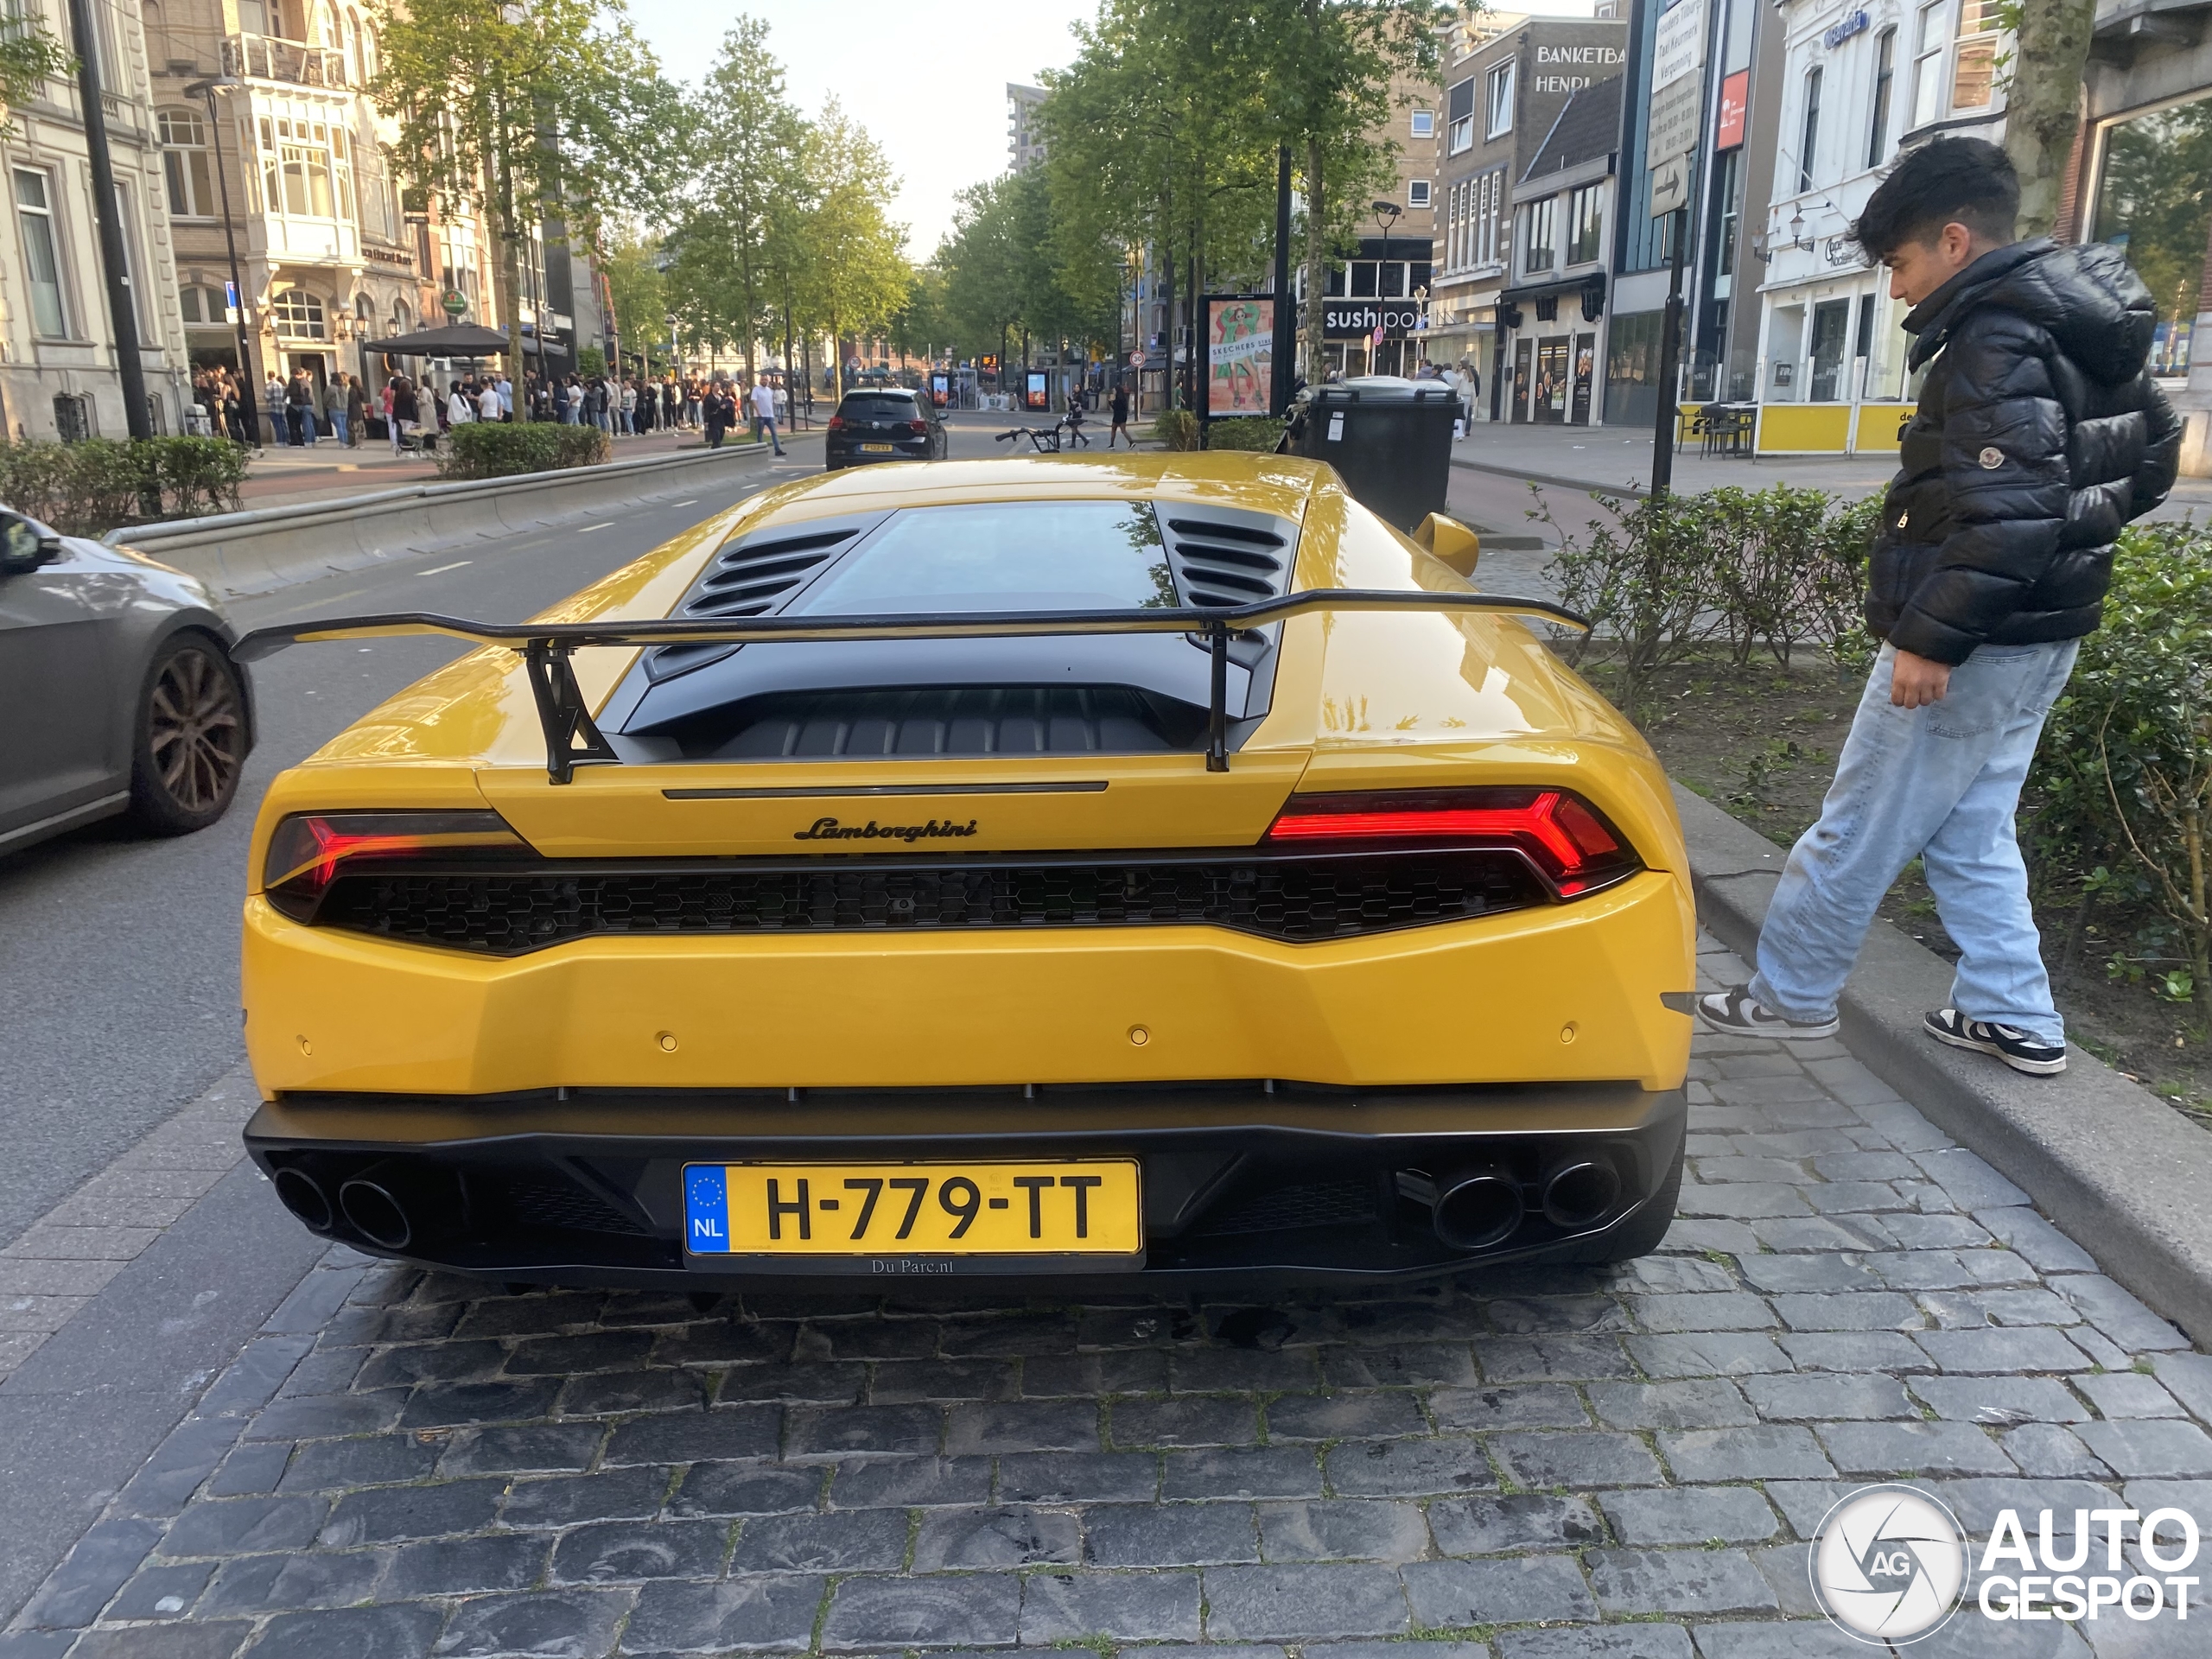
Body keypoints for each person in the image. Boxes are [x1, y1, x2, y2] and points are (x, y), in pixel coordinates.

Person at [1696, 137, 2181, 1077]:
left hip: (1973, 641)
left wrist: (1932, 638)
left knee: (1858, 821)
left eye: (1900, 263)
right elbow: (2150, 462)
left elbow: (2008, 519)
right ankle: (2014, 1014)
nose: (1895, 289)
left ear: (1953, 241)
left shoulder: (1996, 339)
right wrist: (2069, 539)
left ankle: (1787, 998)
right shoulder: (2086, 324)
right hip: (2046, 632)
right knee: (1972, 822)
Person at [749, 376, 784, 455]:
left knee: (774, 433)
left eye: (765, 380)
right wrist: (758, 411)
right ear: (760, 381)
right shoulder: (756, 389)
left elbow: (771, 402)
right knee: (760, 433)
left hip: (770, 415)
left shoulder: (770, 391)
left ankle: (777, 450)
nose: (764, 381)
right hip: (760, 416)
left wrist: (773, 413)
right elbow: (754, 401)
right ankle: (759, 450)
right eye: (762, 380)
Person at [325, 372, 351, 446]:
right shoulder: (343, 388)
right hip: (344, 409)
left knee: (339, 427)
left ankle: (342, 442)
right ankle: (345, 442)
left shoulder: (330, 388)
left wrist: (326, 406)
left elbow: (325, 399)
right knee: (343, 427)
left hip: (334, 409)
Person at [1108, 379, 1131, 448]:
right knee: (1122, 430)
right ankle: (1131, 442)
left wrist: (1110, 403)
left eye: (1114, 390)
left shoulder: (1117, 399)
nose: (1113, 392)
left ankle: (1112, 444)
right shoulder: (1123, 398)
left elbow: (1115, 407)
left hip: (1117, 416)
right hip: (1123, 416)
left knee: (1114, 429)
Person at [345, 373, 367, 448]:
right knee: (359, 427)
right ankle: (360, 443)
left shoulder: (351, 390)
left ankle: (353, 443)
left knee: (353, 427)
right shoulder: (360, 389)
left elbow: (350, 400)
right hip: (359, 410)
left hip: (352, 410)